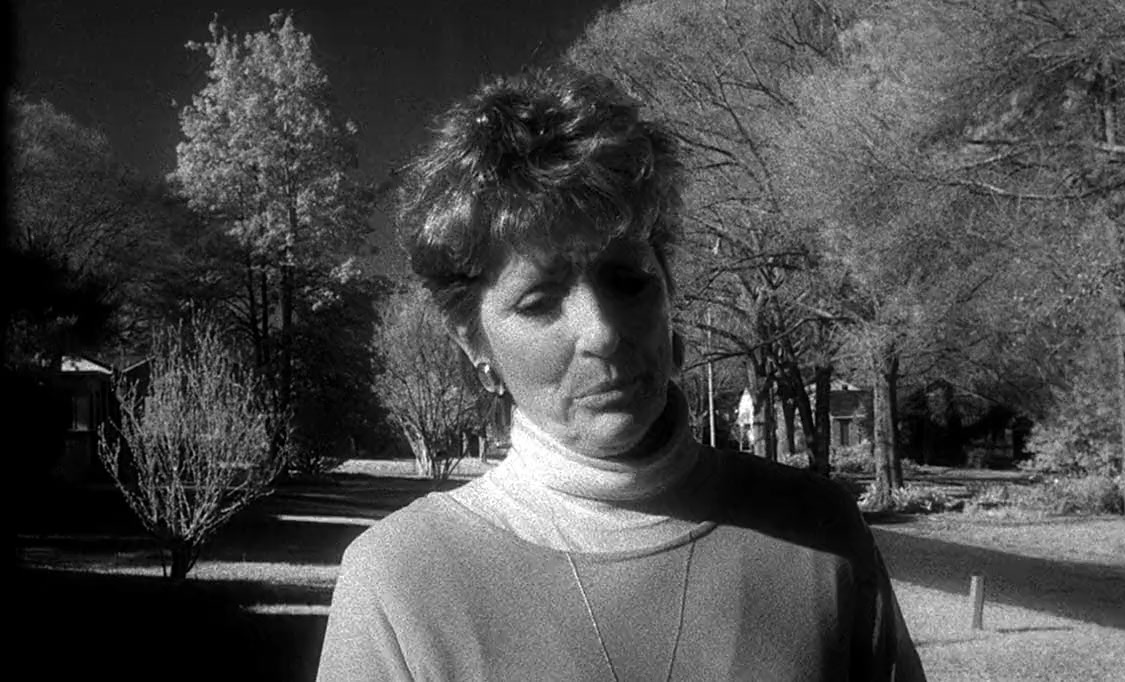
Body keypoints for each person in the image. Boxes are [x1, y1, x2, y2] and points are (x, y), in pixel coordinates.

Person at [316, 68, 925, 682]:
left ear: (667, 289)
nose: (603, 332)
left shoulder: (822, 533)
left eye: (628, 280)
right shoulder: (399, 584)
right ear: (475, 342)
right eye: (539, 301)